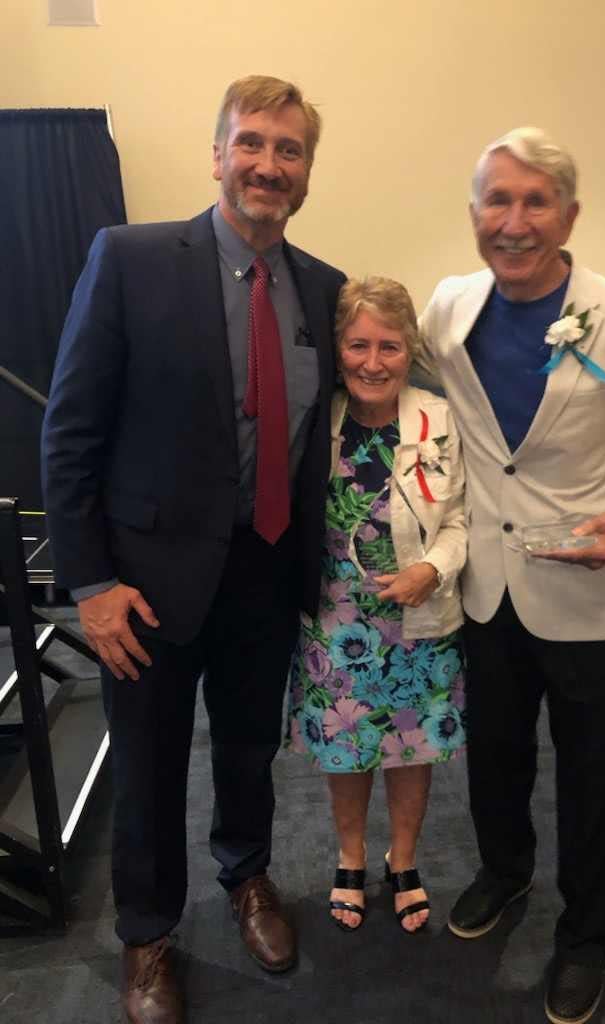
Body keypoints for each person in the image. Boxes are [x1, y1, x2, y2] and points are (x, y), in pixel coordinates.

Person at [41, 75, 345, 1024]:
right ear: (218, 155)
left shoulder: (324, 290)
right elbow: (72, 432)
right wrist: (90, 582)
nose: (267, 164)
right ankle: (147, 936)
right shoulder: (130, 259)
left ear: (306, 173)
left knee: (251, 751)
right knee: (149, 764)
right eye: (250, 143)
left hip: (266, 569)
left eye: (288, 150)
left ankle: (248, 876)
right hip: (146, 585)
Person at [416, 128, 605, 1024]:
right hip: (487, 589)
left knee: (592, 780)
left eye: (535, 201)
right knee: (494, 761)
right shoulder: (447, 306)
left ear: (569, 214)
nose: (514, 222)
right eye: (496, 202)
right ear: (473, 215)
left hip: (591, 592)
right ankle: (505, 875)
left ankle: (585, 937)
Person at [286, 276, 467, 934]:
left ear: (410, 349)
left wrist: (431, 567)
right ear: (338, 349)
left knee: (410, 747)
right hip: (337, 620)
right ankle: (351, 857)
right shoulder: (318, 418)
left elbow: (462, 519)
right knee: (349, 745)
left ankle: (406, 860)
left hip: (420, 619)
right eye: (357, 344)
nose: (372, 362)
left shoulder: (440, 418)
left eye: (389, 346)